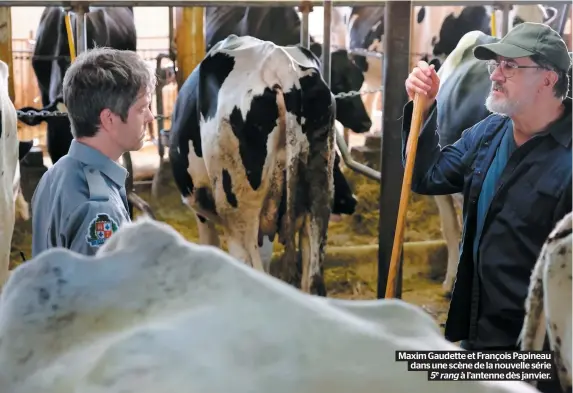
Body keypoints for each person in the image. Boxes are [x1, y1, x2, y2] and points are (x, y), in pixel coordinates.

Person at [402, 22, 571, 392]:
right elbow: (427, 176)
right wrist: (424, 110)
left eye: (511, 66)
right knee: (409, 366)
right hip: (477, 330)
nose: (495, 74)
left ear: (547, 79)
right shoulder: (489, 133)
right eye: (495, 64)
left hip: (540, 356)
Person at [31, 47, 156, 257]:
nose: (150, 117)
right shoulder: (100, 210)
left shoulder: (55, 174)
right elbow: (100, 289)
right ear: (109, 119)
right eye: (142, 108)